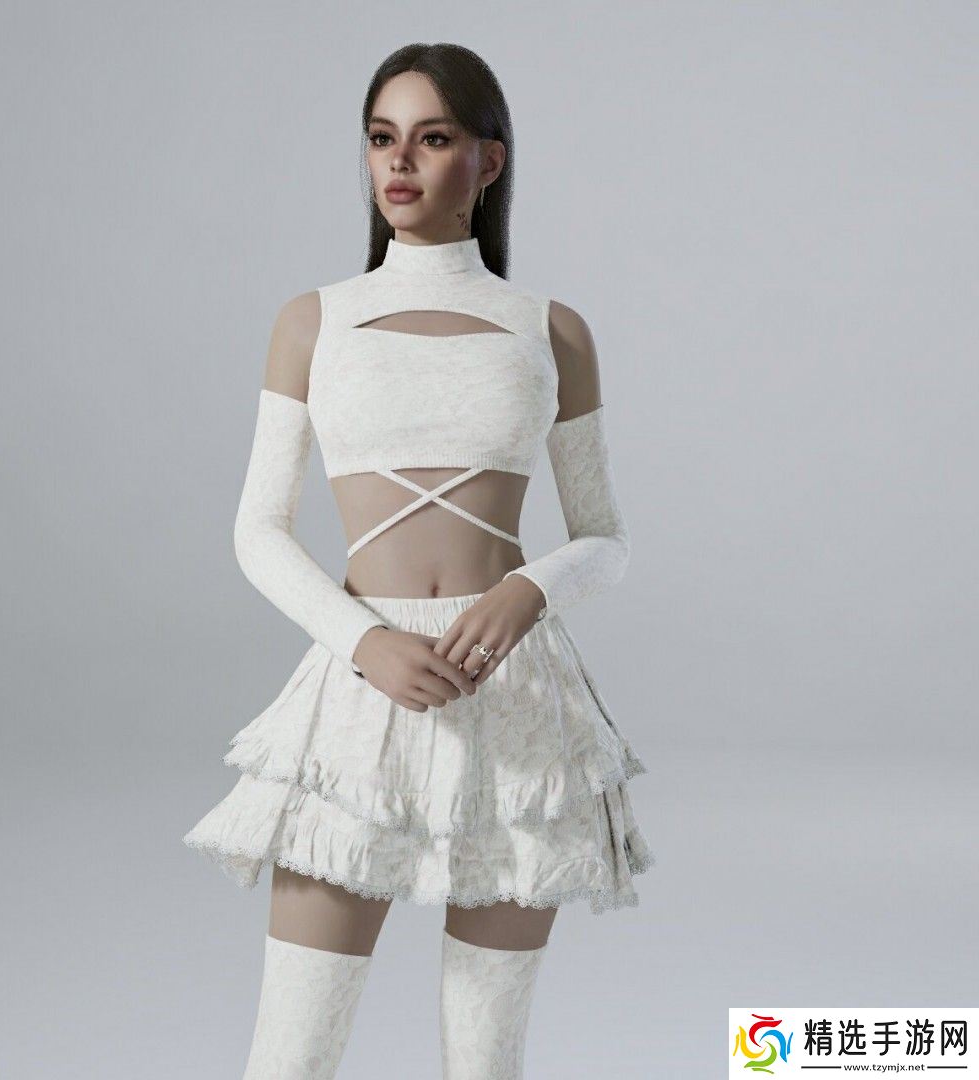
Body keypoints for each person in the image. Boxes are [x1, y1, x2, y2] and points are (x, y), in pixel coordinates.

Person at [183, 41, 656, 1080]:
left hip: (515, 699)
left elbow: (605, 535)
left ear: (488, 161)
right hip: (361, 695)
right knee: (291, 1056)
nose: (398, 161)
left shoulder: (551, 331)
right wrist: (364, 643)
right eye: (381, 138)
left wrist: (530, 589)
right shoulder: (314, 322)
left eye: (432, 138)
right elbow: (258, 529)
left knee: (485, 1060)